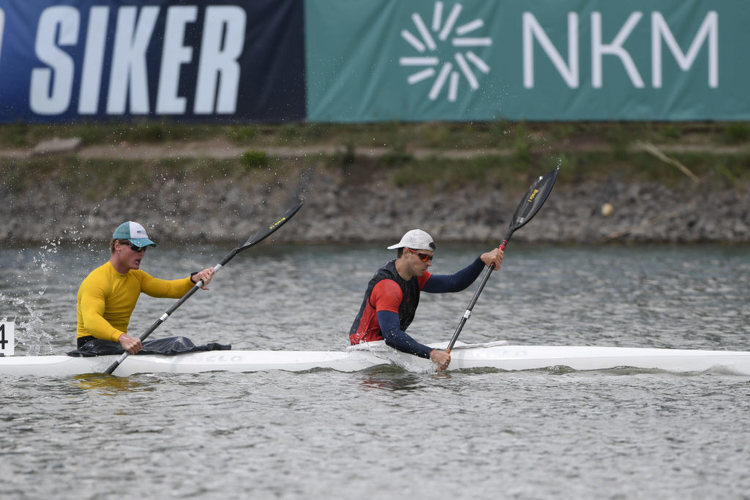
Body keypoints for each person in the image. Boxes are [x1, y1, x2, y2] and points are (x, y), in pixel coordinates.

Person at [349, 229, 503, 370]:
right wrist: (433, 354)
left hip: (387, 346)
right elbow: (392, 336)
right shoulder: (388, 287)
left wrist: (482, 260)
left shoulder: (414, 277)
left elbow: (454, 283)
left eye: (431, 258)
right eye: (424, 257)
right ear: (406, 252)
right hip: (366, 349)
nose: (429, 263)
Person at [76, 221, 215, 355]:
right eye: (136, 247)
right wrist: (123, 338)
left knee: (180, 342)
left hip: (116, 344)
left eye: (144, 248)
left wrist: (193, 280)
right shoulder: (96, 280)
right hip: (92, 347)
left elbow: (169, 289)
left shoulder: (137, 277)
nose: (142, 253)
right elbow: (91, 320)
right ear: (117, 246)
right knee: (178, 343)